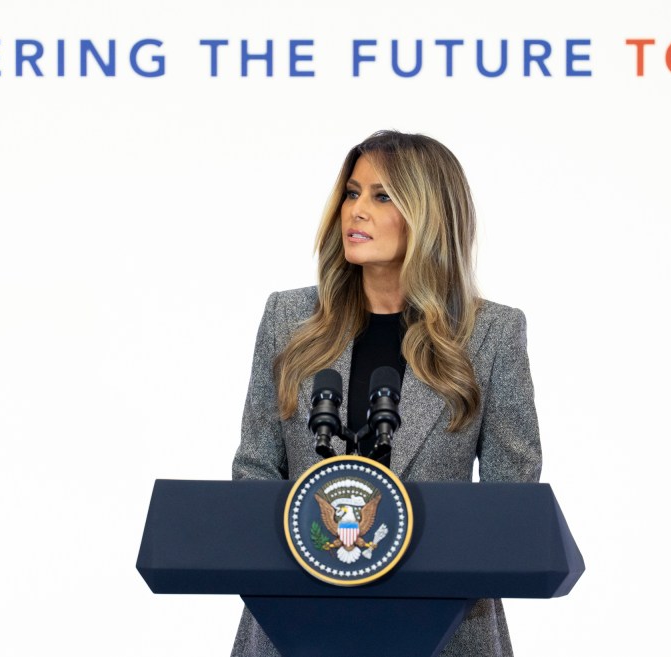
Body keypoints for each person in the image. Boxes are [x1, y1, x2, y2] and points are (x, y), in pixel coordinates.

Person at [230, 130, 541, 657]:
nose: (357, 212)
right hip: (295, 624)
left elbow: (509, 496)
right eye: (352, 193)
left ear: (430, 214)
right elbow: (255, 470)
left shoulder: (491, 333)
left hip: (443, 629)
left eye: (382, 196)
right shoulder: (288, 319)